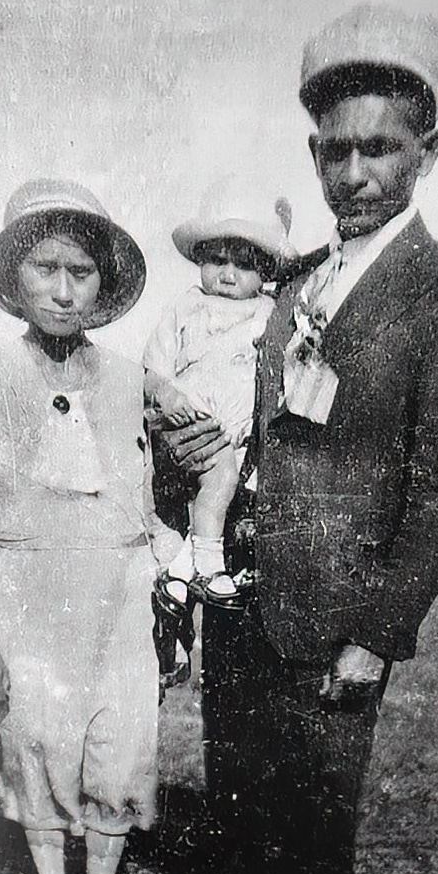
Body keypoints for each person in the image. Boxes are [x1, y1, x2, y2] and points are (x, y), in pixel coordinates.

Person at [162, 5, 438, 874]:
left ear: (425, 152)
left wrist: (375, 636)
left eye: (379, 150)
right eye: (332, 151)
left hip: (334, 627)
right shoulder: (294, 275)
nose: (351, 174)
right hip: (240, 604)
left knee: (309, 848)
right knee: (237, 824)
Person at [0, 179, 178, 874]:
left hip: (118, 599)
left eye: (81, 272)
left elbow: (162, 494)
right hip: (23, 598)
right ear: (15, 275)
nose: (64, 291)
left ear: (102, 283)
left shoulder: (135, 379)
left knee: (118, 748)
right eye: (46, 269)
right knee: (36, 742)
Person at [143, 204, 296, 684]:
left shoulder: (269, 314)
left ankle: (179, 600)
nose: (228, 275)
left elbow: (279, 379)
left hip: (234, 437)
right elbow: (152, 371)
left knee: (219, 492)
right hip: (184, 427)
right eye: (217, 261)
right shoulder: (184, 307)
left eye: (244, 264)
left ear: (265, 272)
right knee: (179, 512)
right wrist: (165, 394)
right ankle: (202, 567)